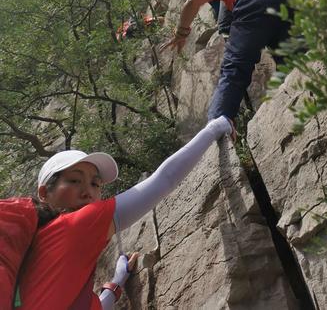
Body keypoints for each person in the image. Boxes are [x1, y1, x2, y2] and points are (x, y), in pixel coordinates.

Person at [16, 116, 232, 309]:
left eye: (95, 184)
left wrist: (117, 282)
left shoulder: (36, 252)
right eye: (74, 180)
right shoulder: (72, 226)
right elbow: (164, 180)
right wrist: (215, 128)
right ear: (44, 193)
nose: (88, 193)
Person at [165, 0, 307, 123]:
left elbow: (192, 1)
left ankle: (218, 124)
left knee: (235, 67)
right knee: (296, 64)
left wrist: (181, 33)